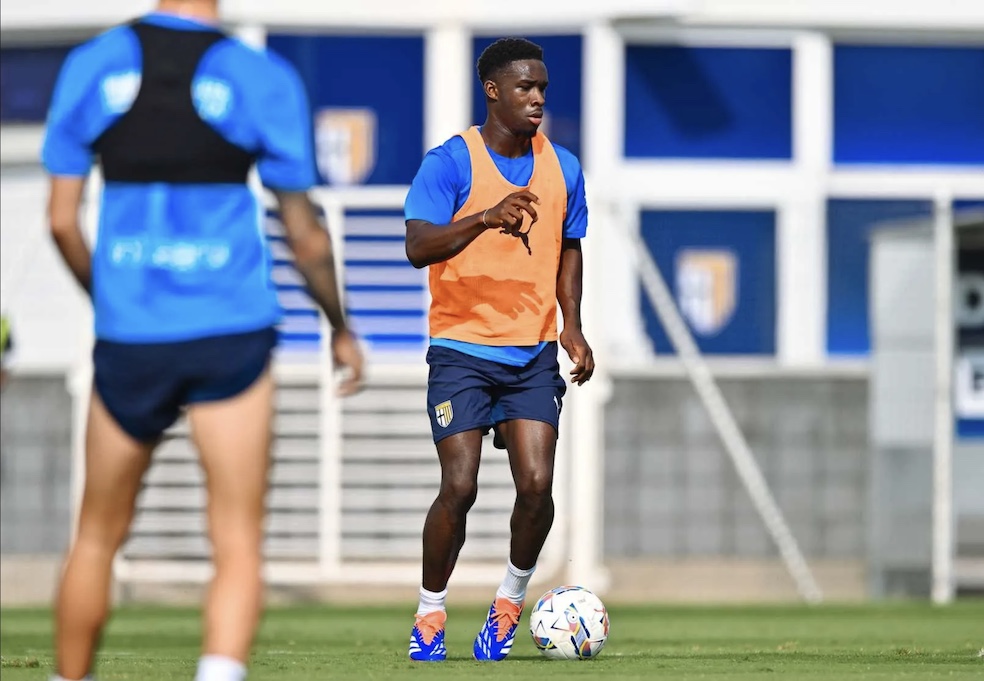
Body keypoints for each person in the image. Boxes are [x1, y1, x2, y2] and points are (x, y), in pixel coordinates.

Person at [40, 2, 364, 680]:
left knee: (97, 534)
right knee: (238, 542)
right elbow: (303, 234)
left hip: (131, 337)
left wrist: (114, 300)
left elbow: (63, 223)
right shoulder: (259, 76)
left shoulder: (93, 62)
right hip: (230, 332)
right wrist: (340, 327)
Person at [402, 37, 595, 662]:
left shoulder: (563, 167)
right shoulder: (449, 162)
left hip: (532, 351)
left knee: (536, 485)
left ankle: (509, 602)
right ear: (493, 91)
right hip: (460, 348)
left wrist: (573, 324)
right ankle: (431, 614)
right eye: (524, 88)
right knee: (459, 486)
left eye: (542, 88)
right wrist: (485, 218)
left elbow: (570, 246)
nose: (537, 98)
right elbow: (418, 246)